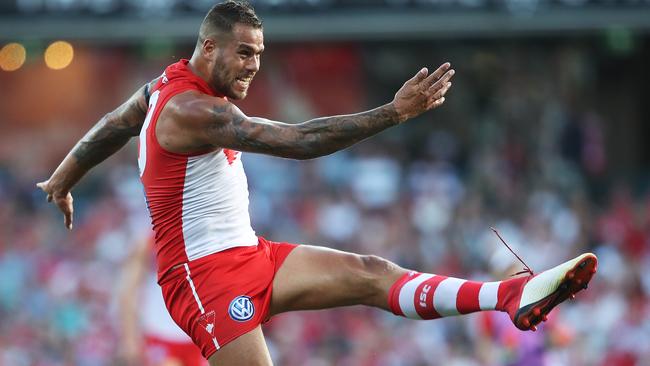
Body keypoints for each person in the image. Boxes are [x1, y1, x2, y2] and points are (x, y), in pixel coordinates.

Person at [37, 1, 597, 365]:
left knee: (372, 274)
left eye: (259, 54)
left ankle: (510, 296)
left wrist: (64, 178)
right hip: (204, 281)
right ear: (208, 47)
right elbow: (301, 142)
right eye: (244, 53)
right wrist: (393, 114)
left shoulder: (163, 88)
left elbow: (114, 125)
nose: (253, 66)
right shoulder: (192, 111)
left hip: (249, 254)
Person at [117, 234, 206, 366]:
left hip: (196, 333)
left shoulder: (200, 235)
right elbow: (128, 293)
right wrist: (130, 337)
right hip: (161, 331)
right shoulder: (150, 242)